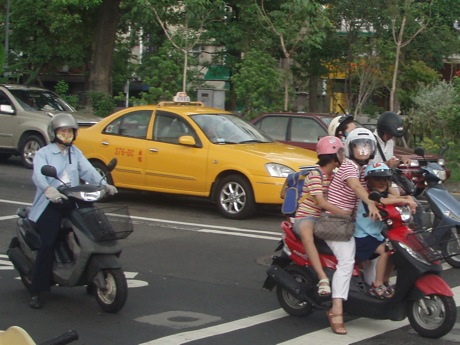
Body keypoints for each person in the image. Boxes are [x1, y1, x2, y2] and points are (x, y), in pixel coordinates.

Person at [28, 113, 118, 309]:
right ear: (54, 133)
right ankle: (38, 289)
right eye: (63, 131)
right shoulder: (44, 153)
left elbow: (88, 171)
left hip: (74, 199)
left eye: (70, 131)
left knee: (93, 232)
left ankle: (93, 275)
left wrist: (104, 184)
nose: (67, 134)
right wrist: (48, 189)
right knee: (48, 243)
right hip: (50, 202)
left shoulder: (75, 152)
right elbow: (38, 175)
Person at [324, 127, 381, 335]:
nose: (363, 150)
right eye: (359, 146)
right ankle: (336, 308)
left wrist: (403, 196)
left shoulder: (366, 169)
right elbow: (357, 188)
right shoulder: (349, 167)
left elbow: (381, 184)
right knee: (347, 260)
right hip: (335, 223)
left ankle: (371, 291)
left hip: (351, 223)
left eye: (367, 146)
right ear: (351, 148)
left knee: (375, 248)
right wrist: (372, 204)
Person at [293, 136, 348, 296]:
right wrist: (344, 213)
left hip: (325, 219)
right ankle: (322, 278)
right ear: (333, 157)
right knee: (307, 235)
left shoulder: (335, 175)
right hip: (307, 216)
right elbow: (321, 203)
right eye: (340, 154)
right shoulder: (316, 175)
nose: (343, 157)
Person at [355, 163, 418, 299]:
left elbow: (393, 198)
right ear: (369, 182)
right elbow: (382, 201)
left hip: (375, 235)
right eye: (377, 179)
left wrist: (408, 198)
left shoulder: (384, 193)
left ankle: (385, 280)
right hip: (362, 235)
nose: (382, 182)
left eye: (385, 179)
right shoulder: (370, 196)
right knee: (385, 251)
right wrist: (404, 200)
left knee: (395, 250)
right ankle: (376, 285)